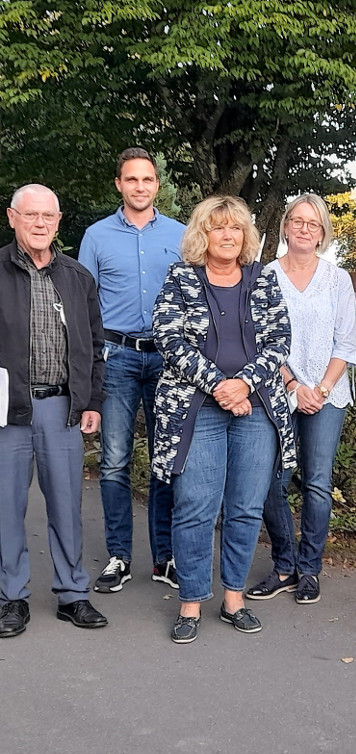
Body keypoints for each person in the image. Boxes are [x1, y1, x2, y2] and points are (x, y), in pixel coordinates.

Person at [152, 195, 295, 643]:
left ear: (246, 235)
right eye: (218, 228)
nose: (228, 235)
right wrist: (219, 385)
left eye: (236, 228)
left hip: (255, 408)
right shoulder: (180, 278)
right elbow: (169, 338)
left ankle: (234, 599)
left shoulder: (263, 279)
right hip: (196, 409)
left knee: (246, 507)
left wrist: (244, 384)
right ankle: (191, 603)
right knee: (195, 505)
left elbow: (279, 340)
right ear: (203, 235)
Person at [0, 184, 109, 637]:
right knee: (7, 507)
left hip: (63, 407)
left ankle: (72, 594)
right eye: (31, 216)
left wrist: (92, 401)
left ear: (59, 221)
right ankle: (12, 598)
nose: (40, 223)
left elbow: (97, 345)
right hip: (8, 410)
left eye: (48, 216)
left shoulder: (78, 277)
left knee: (66, 504)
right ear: (12, 218)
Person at [78, 148, 185, 593]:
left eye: (148, 179)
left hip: (168, 358)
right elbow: (84, 304)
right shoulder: (97, 236)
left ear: (157, 184)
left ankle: (164, 558)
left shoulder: (181, 235)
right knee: (115, 463)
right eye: (131, 179)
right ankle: (119, 557)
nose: (140, 186)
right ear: (119, 185)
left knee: (166, 462)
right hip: (117, 357)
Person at [248, 194, 356, 606]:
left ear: (323, 231)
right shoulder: (264, 277)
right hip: (277, 390)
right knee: (269, 481)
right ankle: (283, 565)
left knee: (316, 482)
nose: (305, 229)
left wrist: (322, 390)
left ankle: (309, 569)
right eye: (297, 221)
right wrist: (294, 386)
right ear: (285, 226)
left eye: (313, 224)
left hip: (328, 395)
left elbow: (346, 343)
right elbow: (259, 338)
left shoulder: (338, 279)